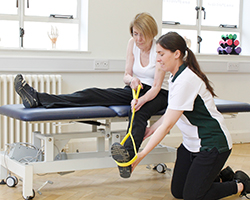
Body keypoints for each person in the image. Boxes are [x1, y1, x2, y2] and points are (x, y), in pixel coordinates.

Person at [14, 13, 169, 179]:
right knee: (91, 94)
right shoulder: (132, 44)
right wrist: (131, 80)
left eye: (141, 34)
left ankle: (127, 159)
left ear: (152, 32)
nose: (138, 39)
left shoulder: (158, 50)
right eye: (135, 34)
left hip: (158, 93)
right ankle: (37, 98)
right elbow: (126, 74)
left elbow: (156, 87)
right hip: (135, 88)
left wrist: (140, 100)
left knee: (138, 112)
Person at [126, 31, 249, 199]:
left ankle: (240, 184)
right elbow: (171, 111)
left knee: (192, 196)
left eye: (161, 54)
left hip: (212, 145)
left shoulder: (186, 80)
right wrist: (150, 130)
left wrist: (142, 154)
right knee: (178, 192)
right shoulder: (175, 76)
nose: (158, 59)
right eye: (157, 54)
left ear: (177, 54)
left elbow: (168, 125)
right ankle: (221, 177)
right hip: (191, 145)